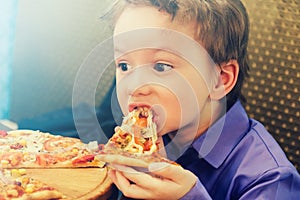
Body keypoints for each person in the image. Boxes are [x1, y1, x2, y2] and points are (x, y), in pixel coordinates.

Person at [97, 0, 300, 199]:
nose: (134, 87)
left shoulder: (272, 180)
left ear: (219, 80)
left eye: (161, 67)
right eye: (124, 66)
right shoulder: (141, 137)